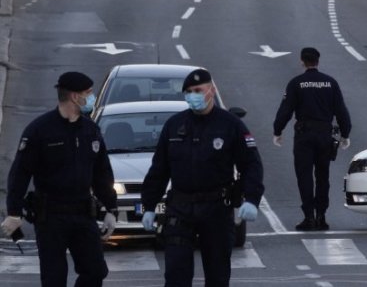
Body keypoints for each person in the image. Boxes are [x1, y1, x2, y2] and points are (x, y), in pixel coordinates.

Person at [140, 68, 264, 287]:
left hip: (216, 209)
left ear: (211, 90)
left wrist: (251, 199)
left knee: (217, 276)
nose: (193, 95)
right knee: (176, 276)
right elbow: (159, 169)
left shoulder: (231, 125)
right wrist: (149, 205)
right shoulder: (175, 125)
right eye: (188, 92)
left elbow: (252, 164)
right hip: (180, 208)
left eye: (198, 90)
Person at [1, 71, 118, 287]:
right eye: (88, 93)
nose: (91, 98)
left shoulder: (90, 130)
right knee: (54, 278)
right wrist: (14, 212)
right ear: (75, 97)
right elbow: (20, 172)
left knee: (95, 271)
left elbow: (102, 172)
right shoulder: (40, 130)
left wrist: (111, 208)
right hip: (51, 216)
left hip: (83, 213)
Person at [273, 47, 351, 231]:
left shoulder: (296, 83)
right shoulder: (330, 83)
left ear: (302, 61)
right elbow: (341, 110)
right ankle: (321, 216)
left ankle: (308, 217)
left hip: (304, 136)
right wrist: (345, 134)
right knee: (323, 176)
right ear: (318, 61)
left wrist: (278, 130)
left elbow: (286, 109)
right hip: (325, 135)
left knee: (304, 176)